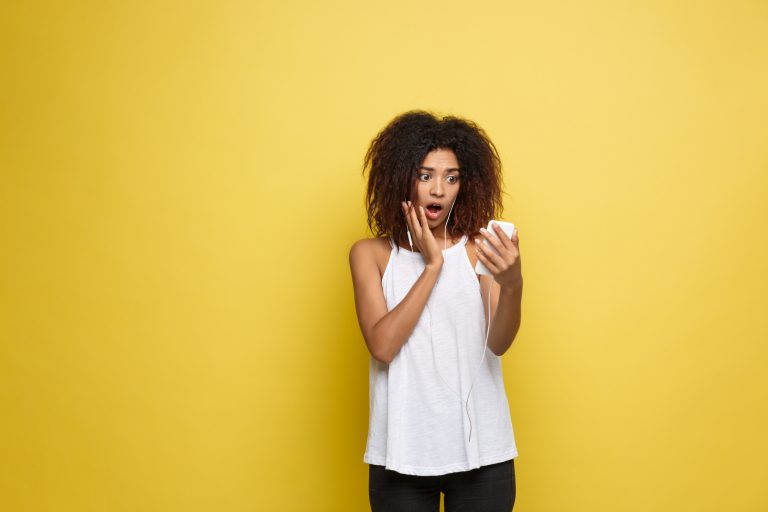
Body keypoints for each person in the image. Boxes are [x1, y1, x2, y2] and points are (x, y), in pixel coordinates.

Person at [349, 110, 523, 512]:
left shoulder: (481, 248)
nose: (439, 190)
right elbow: (383, 345)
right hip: (401, 456)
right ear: (401, 178)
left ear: (467, 183)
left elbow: (498, 343)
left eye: (452, 177)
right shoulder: (370, 255)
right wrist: (432, 267)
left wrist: (513, 285)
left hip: (483, 455)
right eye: (425, 175)